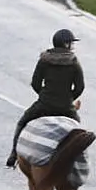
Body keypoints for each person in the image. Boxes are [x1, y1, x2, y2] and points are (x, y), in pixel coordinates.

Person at [6, 28, 85, 168]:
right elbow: (80, 87)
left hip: (44, 105)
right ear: (66, 44)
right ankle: (80, 165)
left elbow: (35, 82)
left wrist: (44, 95)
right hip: (66, 107)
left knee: (22, 122)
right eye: (71, 43)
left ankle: (13, 155)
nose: (72, 46)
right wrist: (68, 99)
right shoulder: (73, 62)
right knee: (79, 131)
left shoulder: (44, 60)